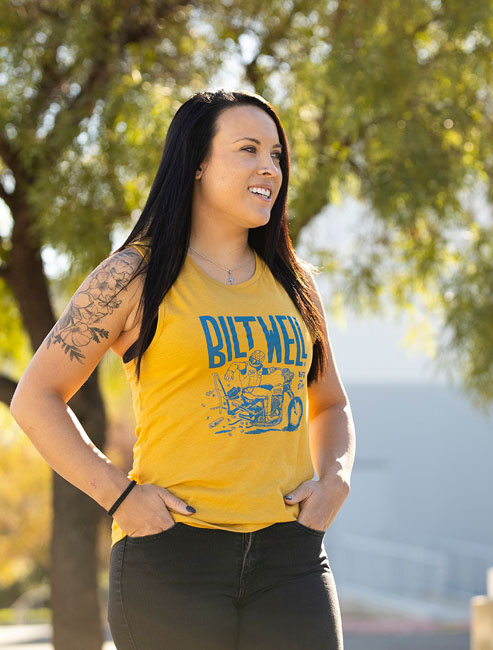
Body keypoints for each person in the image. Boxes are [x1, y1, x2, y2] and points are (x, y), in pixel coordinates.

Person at [10, 89, 355, 650]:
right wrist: (119, 496)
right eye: (248, 149)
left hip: (290, 559)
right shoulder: (132, 277)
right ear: (197, 163)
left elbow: (331, 404)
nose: (270, 168)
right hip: (172, 558)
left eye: (276, 155)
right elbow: (36, 397)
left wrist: (335, 478)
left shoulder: (295, 284)